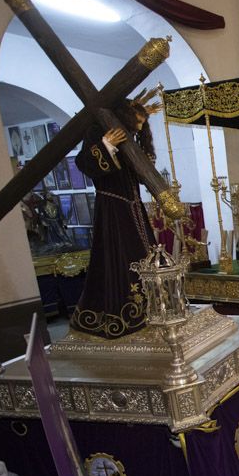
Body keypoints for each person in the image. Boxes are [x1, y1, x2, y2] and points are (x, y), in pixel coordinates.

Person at [71, 92, 160, 339]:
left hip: (134, 208)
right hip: (113, 208)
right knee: (120, 258)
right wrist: (106, 146)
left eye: (143, 125)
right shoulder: (99, 131)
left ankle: (151, 309)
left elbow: (139, 175)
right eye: (138, 123)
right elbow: (83, 163)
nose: (140, 128)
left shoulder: (130, 138)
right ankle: (124, 314)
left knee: (146, 256)